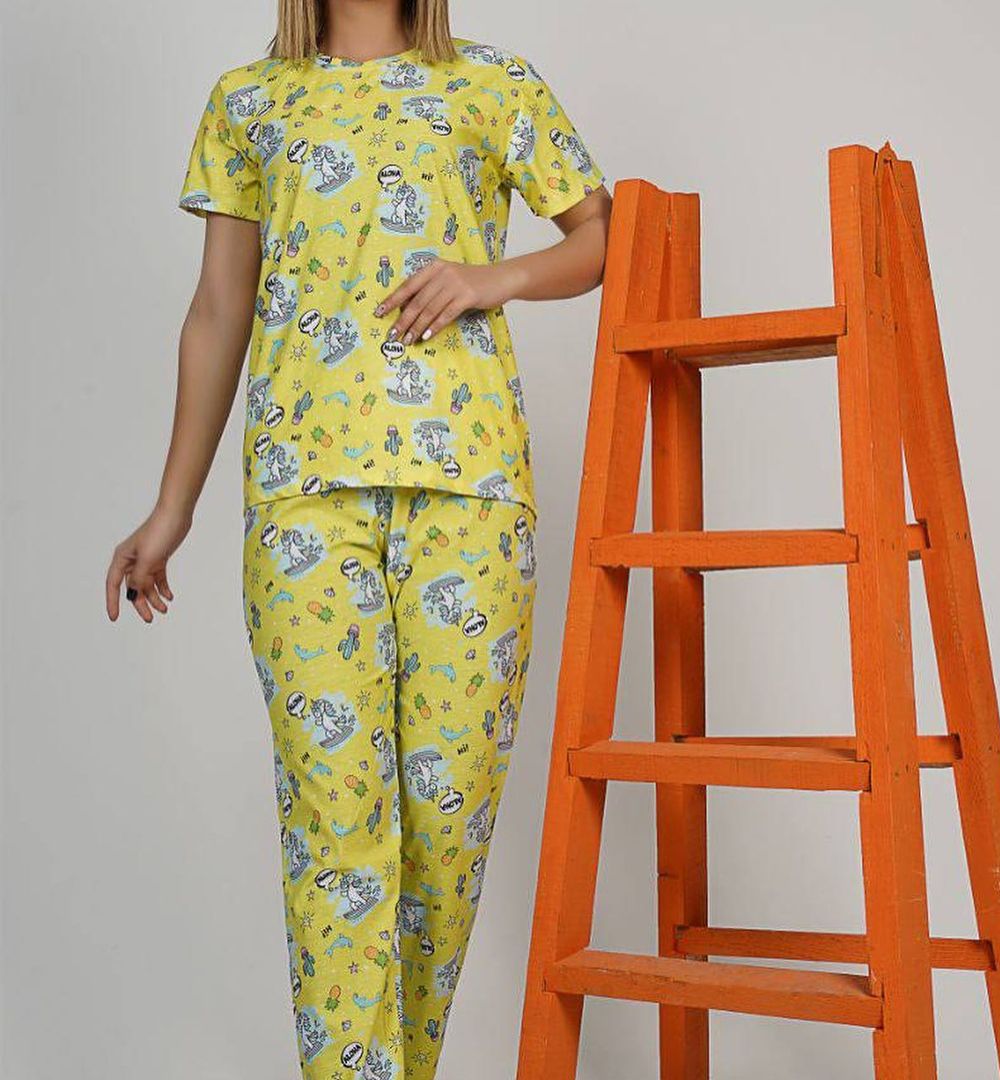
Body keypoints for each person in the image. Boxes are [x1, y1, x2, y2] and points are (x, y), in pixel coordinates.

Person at [103, 0, 611, 1077]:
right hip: (303, 495)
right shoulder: (250, 101)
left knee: (445, 827)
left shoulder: (494, 84)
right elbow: (217, 311)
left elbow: (600, 236)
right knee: (338, 827)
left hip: (471, 489)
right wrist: (172, 508)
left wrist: (493, 277)